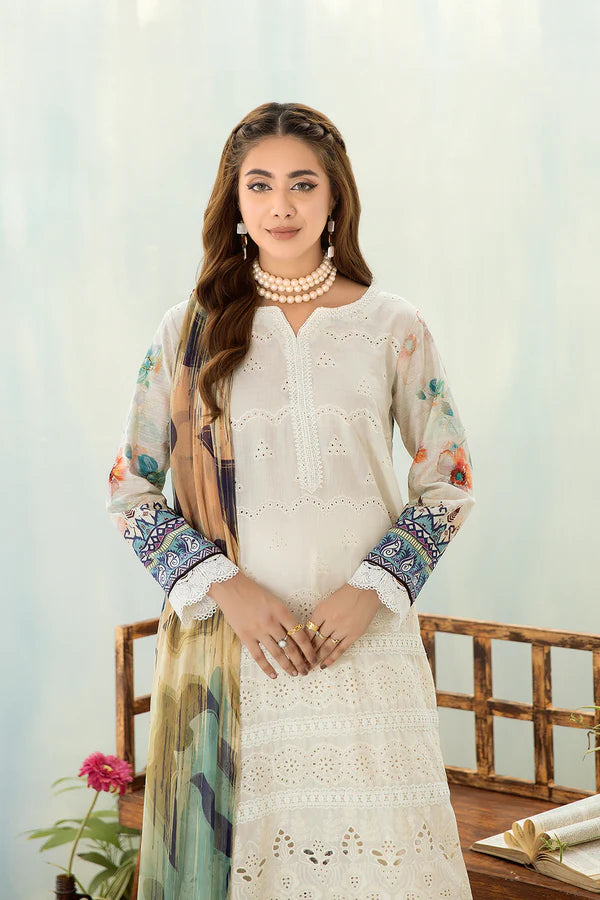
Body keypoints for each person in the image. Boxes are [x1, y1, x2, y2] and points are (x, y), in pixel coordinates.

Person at [107, 101, 476, 900]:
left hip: (365, 649)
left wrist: (374, 591)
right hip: (236, 652)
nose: (282, 206)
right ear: (234, 202)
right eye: (261, 185)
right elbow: (131, 489)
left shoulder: (392, 325)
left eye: (303, 185)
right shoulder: (191, 332)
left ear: (335, 197)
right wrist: (226, 590)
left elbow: (449, 477)